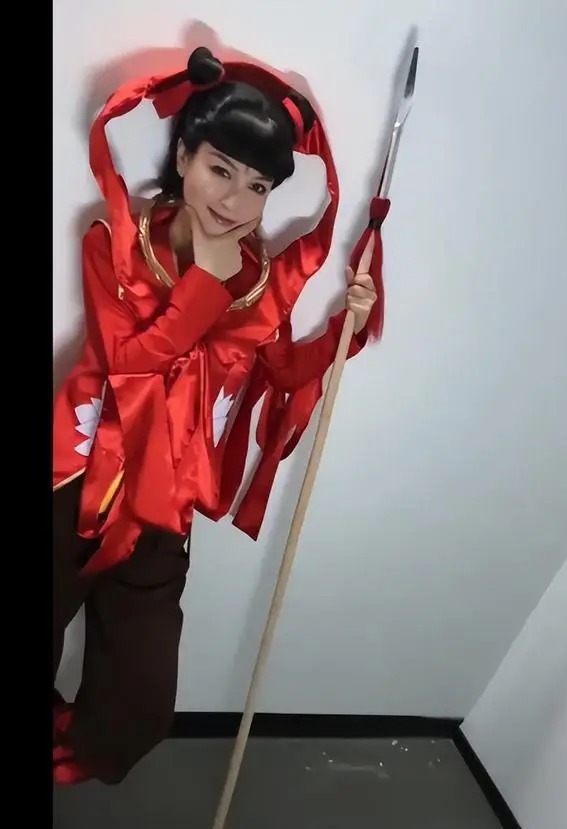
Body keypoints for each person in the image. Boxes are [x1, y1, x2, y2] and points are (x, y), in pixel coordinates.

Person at [52, 46, 381, 785]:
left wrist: (347, 329)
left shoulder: (259, 284)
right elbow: (131, 363)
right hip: (73, 483)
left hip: (162, 510)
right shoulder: (116, 244)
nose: (234, 201)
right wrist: (204, 281)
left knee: (139, 709)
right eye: (220, 170)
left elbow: (282, 370)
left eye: (257, 185)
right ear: (183, 157)